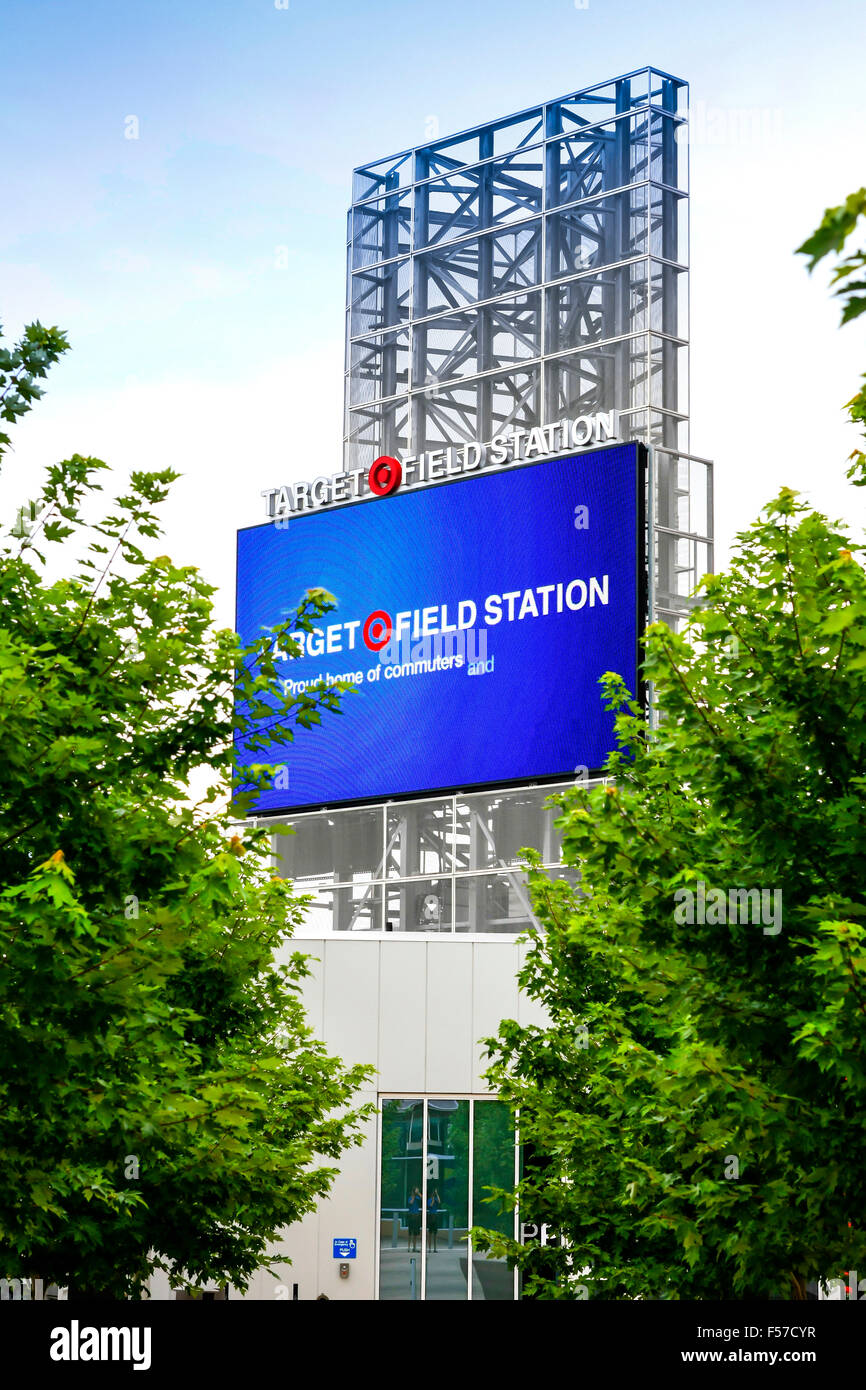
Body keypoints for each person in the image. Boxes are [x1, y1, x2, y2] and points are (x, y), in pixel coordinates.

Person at [407, 1186, 422, 1252]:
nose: (417, 1191)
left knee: (415, 1233)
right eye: (416, 1190)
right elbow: (411, 1203)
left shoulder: (417, 1197)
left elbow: (422, 1198)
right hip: (411, 1216)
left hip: (416, 1216)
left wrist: (418, 1193)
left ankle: (414, 1248)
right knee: (410, 1233)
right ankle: (408, 1247)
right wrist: (413, 1195)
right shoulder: (410, 1197)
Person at [426, 1188, 441, 1253]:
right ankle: (429, 1248)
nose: (433, 1195)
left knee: (435, 1234)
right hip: (431, 1216)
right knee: (430, 1234)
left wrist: (437, 1194)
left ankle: (435, 1248)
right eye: (433, 1193)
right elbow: (430, 1205)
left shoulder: (435, 1199)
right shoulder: (429, 1200)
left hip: (435, 1215)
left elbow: (439, 1201)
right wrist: (432, 1200)